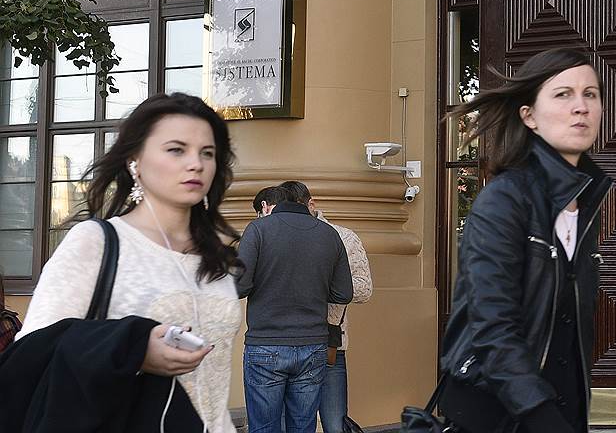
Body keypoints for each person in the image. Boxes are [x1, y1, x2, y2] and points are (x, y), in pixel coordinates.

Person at [10, 93, 244, 431]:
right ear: (135, 160)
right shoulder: (97, 241)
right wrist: (133, 349)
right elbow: (34, 351)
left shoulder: (216, 258)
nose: (196, 163)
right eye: (176, 150)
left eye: (207, 153)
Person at [437, 48, 612, 433]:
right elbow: (492, 327)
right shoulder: (503, 201)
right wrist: (541, 416)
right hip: (499, 416)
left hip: (560, 411)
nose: (581, 107)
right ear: (529, 116)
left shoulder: (585, 204)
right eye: (563, 94)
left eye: (591, 94)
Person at [236, 180, 354, 433]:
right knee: (303, 426)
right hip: (313, 344)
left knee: (264, 428)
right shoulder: (329, 234)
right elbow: (343, 293)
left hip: (266, 343)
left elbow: (239, 286)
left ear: (270, 205)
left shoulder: (258, 229)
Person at [276, 180, 373, 433]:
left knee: (335, 424)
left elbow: (364, 289)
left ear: (312, 205)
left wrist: (320, 284)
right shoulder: (276, 235)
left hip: (329, 344)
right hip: (285, 343)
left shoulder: (344, 237)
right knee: (288, 424)